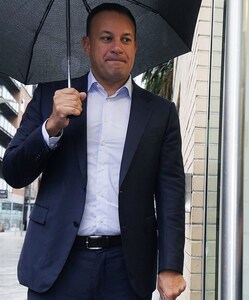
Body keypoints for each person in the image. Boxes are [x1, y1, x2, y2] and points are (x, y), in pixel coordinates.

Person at [3, 3, 186, 300]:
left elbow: (171, 191)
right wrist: (51, 127)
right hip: (57, 264)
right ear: (87, 45)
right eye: (106, 38)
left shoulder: (160, 112)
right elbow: (12, 171)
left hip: (126, 269)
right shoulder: (52, 97)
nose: (117, 47)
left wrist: (170, 266)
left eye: (125, 39)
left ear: (136, 47)